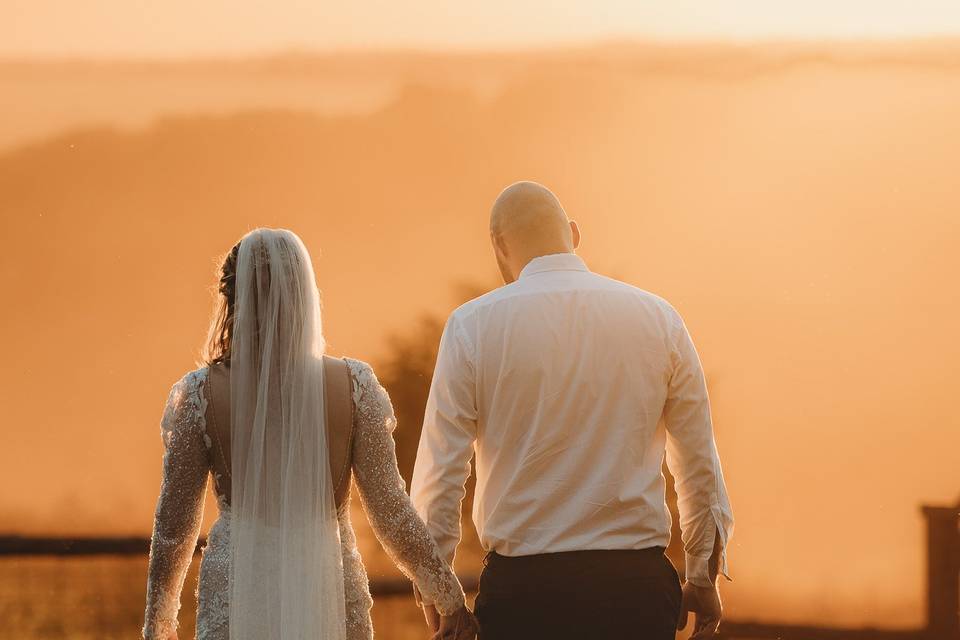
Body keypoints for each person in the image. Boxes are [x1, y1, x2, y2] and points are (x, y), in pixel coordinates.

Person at [411, 182, 734, 640]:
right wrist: (703, 572)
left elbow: (441, 473)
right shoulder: (659, 319)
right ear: (574, 234)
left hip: (524, 597)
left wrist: (439, 592)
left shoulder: (471, 327)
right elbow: (698, 460)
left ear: (498, 246)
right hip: (635, 593)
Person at [142, 228, 477, 640]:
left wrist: (158, 625)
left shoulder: (200, 395)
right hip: (329, 588)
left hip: (237, 592)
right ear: (305, 294)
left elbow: (175, 526)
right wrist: (447, 597)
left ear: (234, 300)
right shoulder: (353, 387)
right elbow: (390, 511)